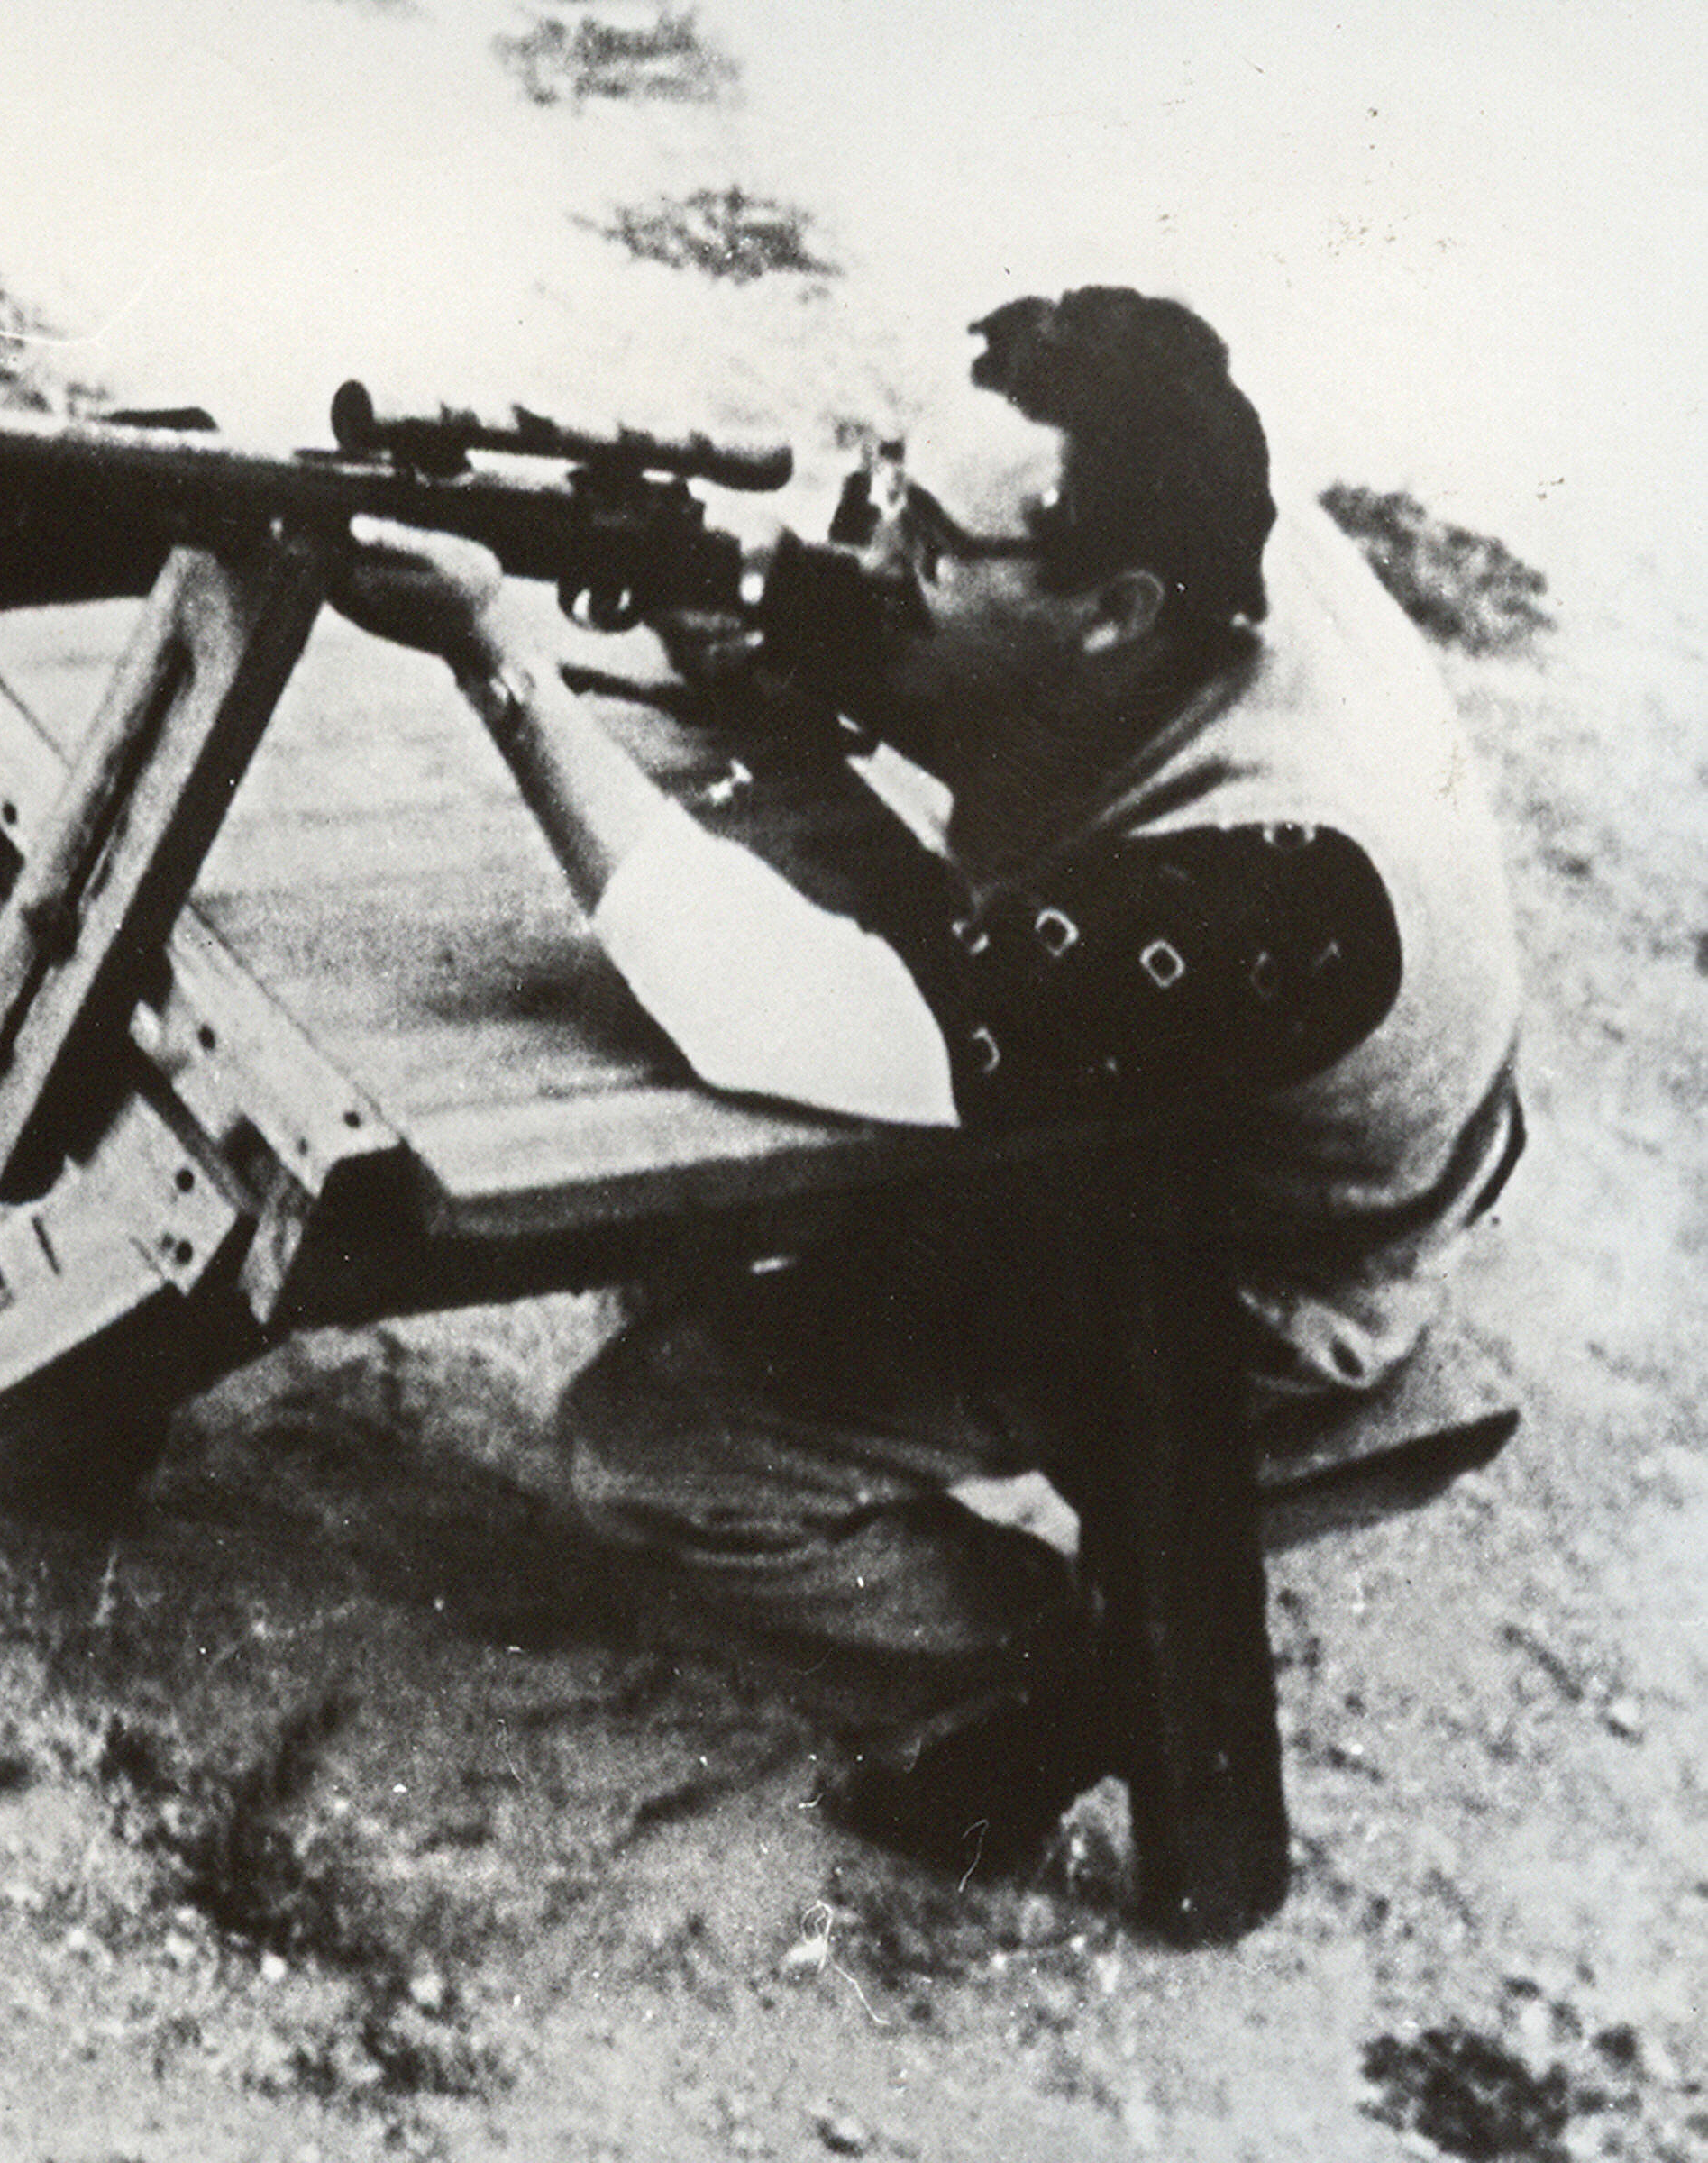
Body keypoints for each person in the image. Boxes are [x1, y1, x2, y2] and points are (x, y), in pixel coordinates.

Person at [331, 286, 1523, 1864]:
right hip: (1199, 1107)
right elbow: (950, 642)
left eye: (931, 547)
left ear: (1110, 609)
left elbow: (787, 1015)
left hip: (1240, 1265)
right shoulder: (1184, 509)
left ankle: (1062, 1672)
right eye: (893, 488)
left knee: (655, 1449)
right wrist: (778, 613)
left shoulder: (1277, 889)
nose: (879, 549)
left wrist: (502, 659)